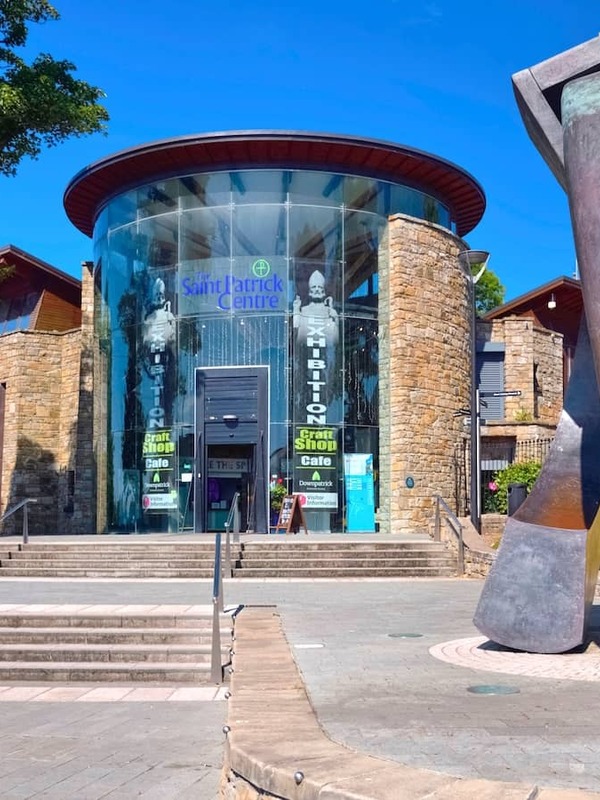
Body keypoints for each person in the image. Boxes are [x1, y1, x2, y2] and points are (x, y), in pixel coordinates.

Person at [293, 269, 339, 346]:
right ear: (310, 291)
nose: (317, 289)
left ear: (323, 291)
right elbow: (296, 328)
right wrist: (296, 310)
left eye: (319, 287)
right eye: (314, 287)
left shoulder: (329, 311)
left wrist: (335, 318)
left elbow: (335, 339)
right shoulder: (303, 310)